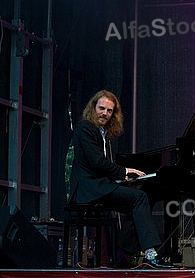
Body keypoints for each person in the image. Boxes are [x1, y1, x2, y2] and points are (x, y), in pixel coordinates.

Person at [67, 89, 167, 268]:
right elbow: (96, 162)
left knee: (138, 202)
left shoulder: (103, 133)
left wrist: (120, 180)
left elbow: (100, 166)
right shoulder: (85, 128)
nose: (104, 113)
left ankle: (125, 254)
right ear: (93, 107)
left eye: (109, 111)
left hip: (99, 185)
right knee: (139, 197)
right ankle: (150, 252)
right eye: (101, 108)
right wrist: (124, 171)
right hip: (89, 188)